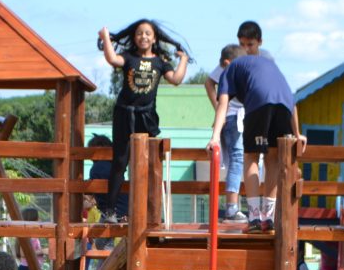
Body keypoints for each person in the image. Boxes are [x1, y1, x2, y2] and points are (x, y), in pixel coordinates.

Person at [98, 20, 189, 223]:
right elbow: (112, 59)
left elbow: (175, 79)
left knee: (147, 163)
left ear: (154, 38)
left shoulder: (160, 62)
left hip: (146, 117)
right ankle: (109, 211)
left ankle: (148, 212)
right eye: (139, 33)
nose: (143, 37)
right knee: (120, 162)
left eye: (148, 33)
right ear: (134, 37)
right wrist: (105, 37)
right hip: (124, 114)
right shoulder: (129, 57)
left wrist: (183, 59)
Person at [208, 47, 307, 233]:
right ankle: (268, 219)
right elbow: (291, 101)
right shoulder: (266, 64)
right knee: (272, 159)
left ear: (226, 63)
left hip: (259, 101)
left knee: (251, 157)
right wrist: (297, 132)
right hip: (285, 105)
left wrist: (214, 138)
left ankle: (254, 219)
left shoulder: (230, 69)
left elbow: (222, 104)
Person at [204, 45, 248, 221]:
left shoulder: (235, 65)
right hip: (233, 117)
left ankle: (235, 206)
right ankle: (232, 207)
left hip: (233, 117)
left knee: (236, 160)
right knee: (237, 159)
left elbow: (209, 83)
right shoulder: (231, 68)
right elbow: (209, 83)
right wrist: (217, 110)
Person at [87, 134, 128, 221]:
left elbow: (95, 190)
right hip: (124, 210)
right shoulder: (114, 167)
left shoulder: (98, 167)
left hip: (113, 213)